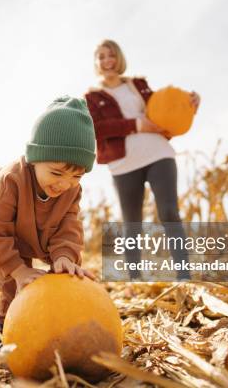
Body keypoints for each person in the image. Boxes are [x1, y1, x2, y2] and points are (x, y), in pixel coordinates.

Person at [0, 96, 96, 344]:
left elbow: (69, 226)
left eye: (77, 176)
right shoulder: (8, 183)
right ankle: (7, 331)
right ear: (34, 158)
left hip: (43, 232)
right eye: (56, 173)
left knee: (67, 271)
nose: (64, 184)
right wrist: (18, 270)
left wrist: (64, 256)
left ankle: (59, 323)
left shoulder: (70, 190)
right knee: (13, 286)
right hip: (2, 238)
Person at [84, 40, 200, 281]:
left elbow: (163, 109)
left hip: (158, 152)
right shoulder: (92, 97)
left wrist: (189, 104)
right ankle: (135, 280)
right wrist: (135, 125)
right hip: (124, 163)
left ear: (119, 58)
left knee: (169, 212)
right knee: (132, 223)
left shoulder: (138, 84)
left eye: (112, 55)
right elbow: (95, 128)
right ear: (96, 62)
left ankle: (184, 278)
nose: (107, 61)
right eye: (102, 56)